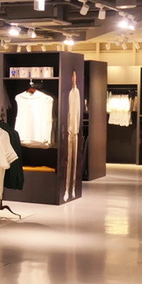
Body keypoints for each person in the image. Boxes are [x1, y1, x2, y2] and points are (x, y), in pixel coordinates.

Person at [64, 70, 81, 201]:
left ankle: (73, 187)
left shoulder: (77, 92)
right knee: (68, 161)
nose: (74, 79)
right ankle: (66, 188)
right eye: (72, 76)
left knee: (74, 161)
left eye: (75, 76)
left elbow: (77, 113)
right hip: (68, 131)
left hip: (75, 131)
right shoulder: (67, 93)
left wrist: (76, 129)